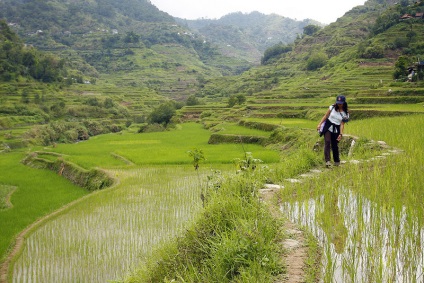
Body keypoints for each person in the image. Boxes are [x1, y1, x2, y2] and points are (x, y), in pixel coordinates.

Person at [317, 95, 349, 167]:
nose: (339, 104)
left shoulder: (345, 113)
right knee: (327, 142)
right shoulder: (332, 107)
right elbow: (325, 116)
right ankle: (327, 161)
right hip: (328, 126)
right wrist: (319, 124)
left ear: (344, 103)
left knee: (335, 145)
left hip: (336, 129)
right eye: (338, 103)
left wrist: (340, 134)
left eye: (340, 103)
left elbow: (342, 124)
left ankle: (336, 161)